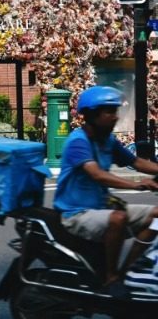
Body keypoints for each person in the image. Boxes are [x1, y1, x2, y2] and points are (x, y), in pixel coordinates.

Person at [53, 85, 158, 296]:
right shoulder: (78, 142)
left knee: (156, 215)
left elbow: (136, 162)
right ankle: (111, 278)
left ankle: (126, 271)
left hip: (100, 207)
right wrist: (136, 185)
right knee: (117, 218)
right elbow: (97, 174)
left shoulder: (107, 141)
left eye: (115, 111)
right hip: (75, 213)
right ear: (92, 115)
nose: (115, 117)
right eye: (109, 112)